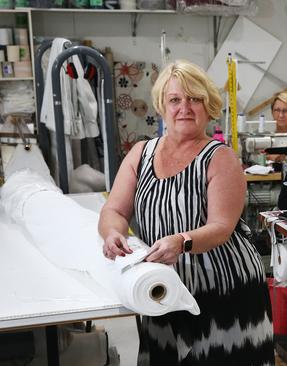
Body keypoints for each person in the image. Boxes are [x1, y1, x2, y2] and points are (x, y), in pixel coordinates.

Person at [98, 60, 274, 365]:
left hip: (221, 290)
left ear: (209, 106)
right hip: (162, 286)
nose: (185, 108)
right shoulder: (141, 153)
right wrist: (113, 232)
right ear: (162, 106)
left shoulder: (221, 158)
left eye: (195, 99)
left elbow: (221, 226)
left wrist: (182, 241)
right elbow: (114, 209)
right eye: (175, 99)